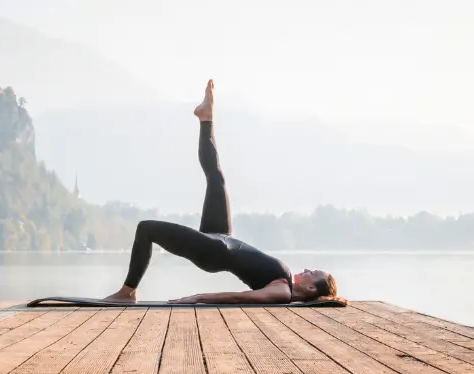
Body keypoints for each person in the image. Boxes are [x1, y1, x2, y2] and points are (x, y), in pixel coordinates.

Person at [104, 79, 338, 305]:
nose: (307, 269)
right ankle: (206, 118)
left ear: (310, 288)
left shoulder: (282, 292)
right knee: (216, 178)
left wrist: (199, 297)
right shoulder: (285, 282)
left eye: (312, 272)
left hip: (213, 252)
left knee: (146, 228)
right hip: (221, 237)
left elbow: (239, 297)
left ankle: (127, 292)